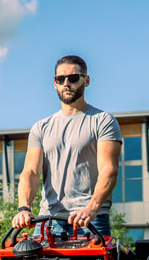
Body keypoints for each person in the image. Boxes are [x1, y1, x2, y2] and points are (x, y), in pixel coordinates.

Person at [12, 55, 122, 237]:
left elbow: (109, 169)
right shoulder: (41, 127)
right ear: (54, 83)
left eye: (73, 78)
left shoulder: (102, 121)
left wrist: (92, 208)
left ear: (86, 80)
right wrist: (24, 208)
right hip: (48, 221)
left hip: (90, 220)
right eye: (60, 79)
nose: (66, 83)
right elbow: (31, 172)